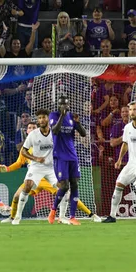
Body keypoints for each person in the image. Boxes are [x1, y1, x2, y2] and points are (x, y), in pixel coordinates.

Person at [0, 121, 101, 224]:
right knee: (17, 196)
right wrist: (7, 169)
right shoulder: (26, 148)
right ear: (27, 131)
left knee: (67, 195)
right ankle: (12, 218)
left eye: (34, 127)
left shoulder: (49, 143)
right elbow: (18, 163)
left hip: (49, 176)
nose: (32, 129)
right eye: (30, 127)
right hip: (35, 178)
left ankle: (91, 214)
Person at [9, 109, 57, 225]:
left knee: (64, 189)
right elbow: (24, 151)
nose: (41, 120)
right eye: (39, 118)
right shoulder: (33, 135)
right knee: (27, 185)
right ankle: (17, 217)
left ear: (48, 119)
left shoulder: (54, 133)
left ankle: (63, 217)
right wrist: (36, 158)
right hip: (36, 167)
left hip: (51, 168)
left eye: (43, 117)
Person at [47, 95, 87, 225]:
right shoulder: (53, 115)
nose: (64, 106)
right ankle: (53, 210)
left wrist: (78, 122)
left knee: (74, 183)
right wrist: (62, 116)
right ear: (58, 105)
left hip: (72, 156)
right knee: (64, 186)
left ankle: (72, 216)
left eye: (66, 104)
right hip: (60, 156)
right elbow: (55, 131)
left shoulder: (71, 117)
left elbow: (83, 134)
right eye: (62, 104)